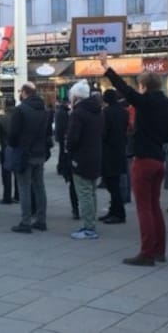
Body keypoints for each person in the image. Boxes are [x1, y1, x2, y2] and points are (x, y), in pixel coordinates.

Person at [100, 53, 168, 265]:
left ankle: (146, 253)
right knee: (154, 206)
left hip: (143, 158)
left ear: (144, 86)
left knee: (144, 207)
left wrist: (107, 67)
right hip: (159, 158)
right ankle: (159, 250)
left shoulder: (145, 102)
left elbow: (123, 89)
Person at [8, 82, 51, 234]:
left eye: (20, 91)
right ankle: (41, 220)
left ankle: (26, 221)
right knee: (40, 187)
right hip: (39, 153)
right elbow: (47, 134)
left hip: (24, 154)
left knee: (24, 187)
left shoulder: (21, 110)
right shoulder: (44, 110)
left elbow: (13, 134)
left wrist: (13, 145)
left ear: (24, 92)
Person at [65, 80, 103, 240]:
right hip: (95, 154)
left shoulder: (78, 113)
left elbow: (73, 137)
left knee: (85, 192)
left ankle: (89, 228)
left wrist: (69, 149)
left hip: (81, 157)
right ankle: (91, 223)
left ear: (75, 97)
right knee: (92, 191)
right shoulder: (98, 111)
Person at [99, 89, 128, 225]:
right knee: (114, 182)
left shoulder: (106, 113)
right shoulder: (123, 112)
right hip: (120, 149)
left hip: (109, 151)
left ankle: (118, 212)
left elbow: (103, 132)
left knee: (112, 184)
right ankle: (114, 210)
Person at [54, 99, 78, 218]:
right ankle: (86, 214)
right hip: (87, 157)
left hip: (74, 156)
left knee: (73, 184)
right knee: (88, 188)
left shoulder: (73, 115)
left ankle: (76, 210)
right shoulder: (96, 114)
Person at [0, 97, 19, 204]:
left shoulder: (2, 118)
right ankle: (18, 195)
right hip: (19, 148)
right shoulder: (20, 116)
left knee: (6, 174)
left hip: (6, 148)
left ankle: (7, 196)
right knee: (18, 173)